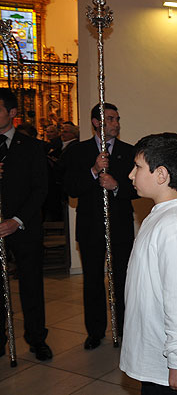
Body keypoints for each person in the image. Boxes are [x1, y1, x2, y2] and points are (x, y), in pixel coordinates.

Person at [120, 133, 177, 395]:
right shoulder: (163, 216)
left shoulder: (174, 227)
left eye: (138, 167)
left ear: (161, 174)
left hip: (171, 362)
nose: (131, 175)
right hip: (157, 349)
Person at [62, 102, 137, 350]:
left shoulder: (129, 152)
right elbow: (70, 188)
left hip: (121, 226)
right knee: (93, 280)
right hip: (90, 226)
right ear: (96, 122)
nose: (116, 124)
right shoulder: (77, 151)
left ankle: (125, 327)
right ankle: (94, 331)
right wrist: (93, 170)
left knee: (122, 278)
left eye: (117, 119)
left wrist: (116, 186)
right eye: (111, 119)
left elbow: (138, 189)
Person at [0, 88, 52, 360]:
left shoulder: (32, 147)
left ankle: (36, 338)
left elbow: (40, 188)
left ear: (12, 113)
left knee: (31, 285)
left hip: (24, 226)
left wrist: (16, 220)